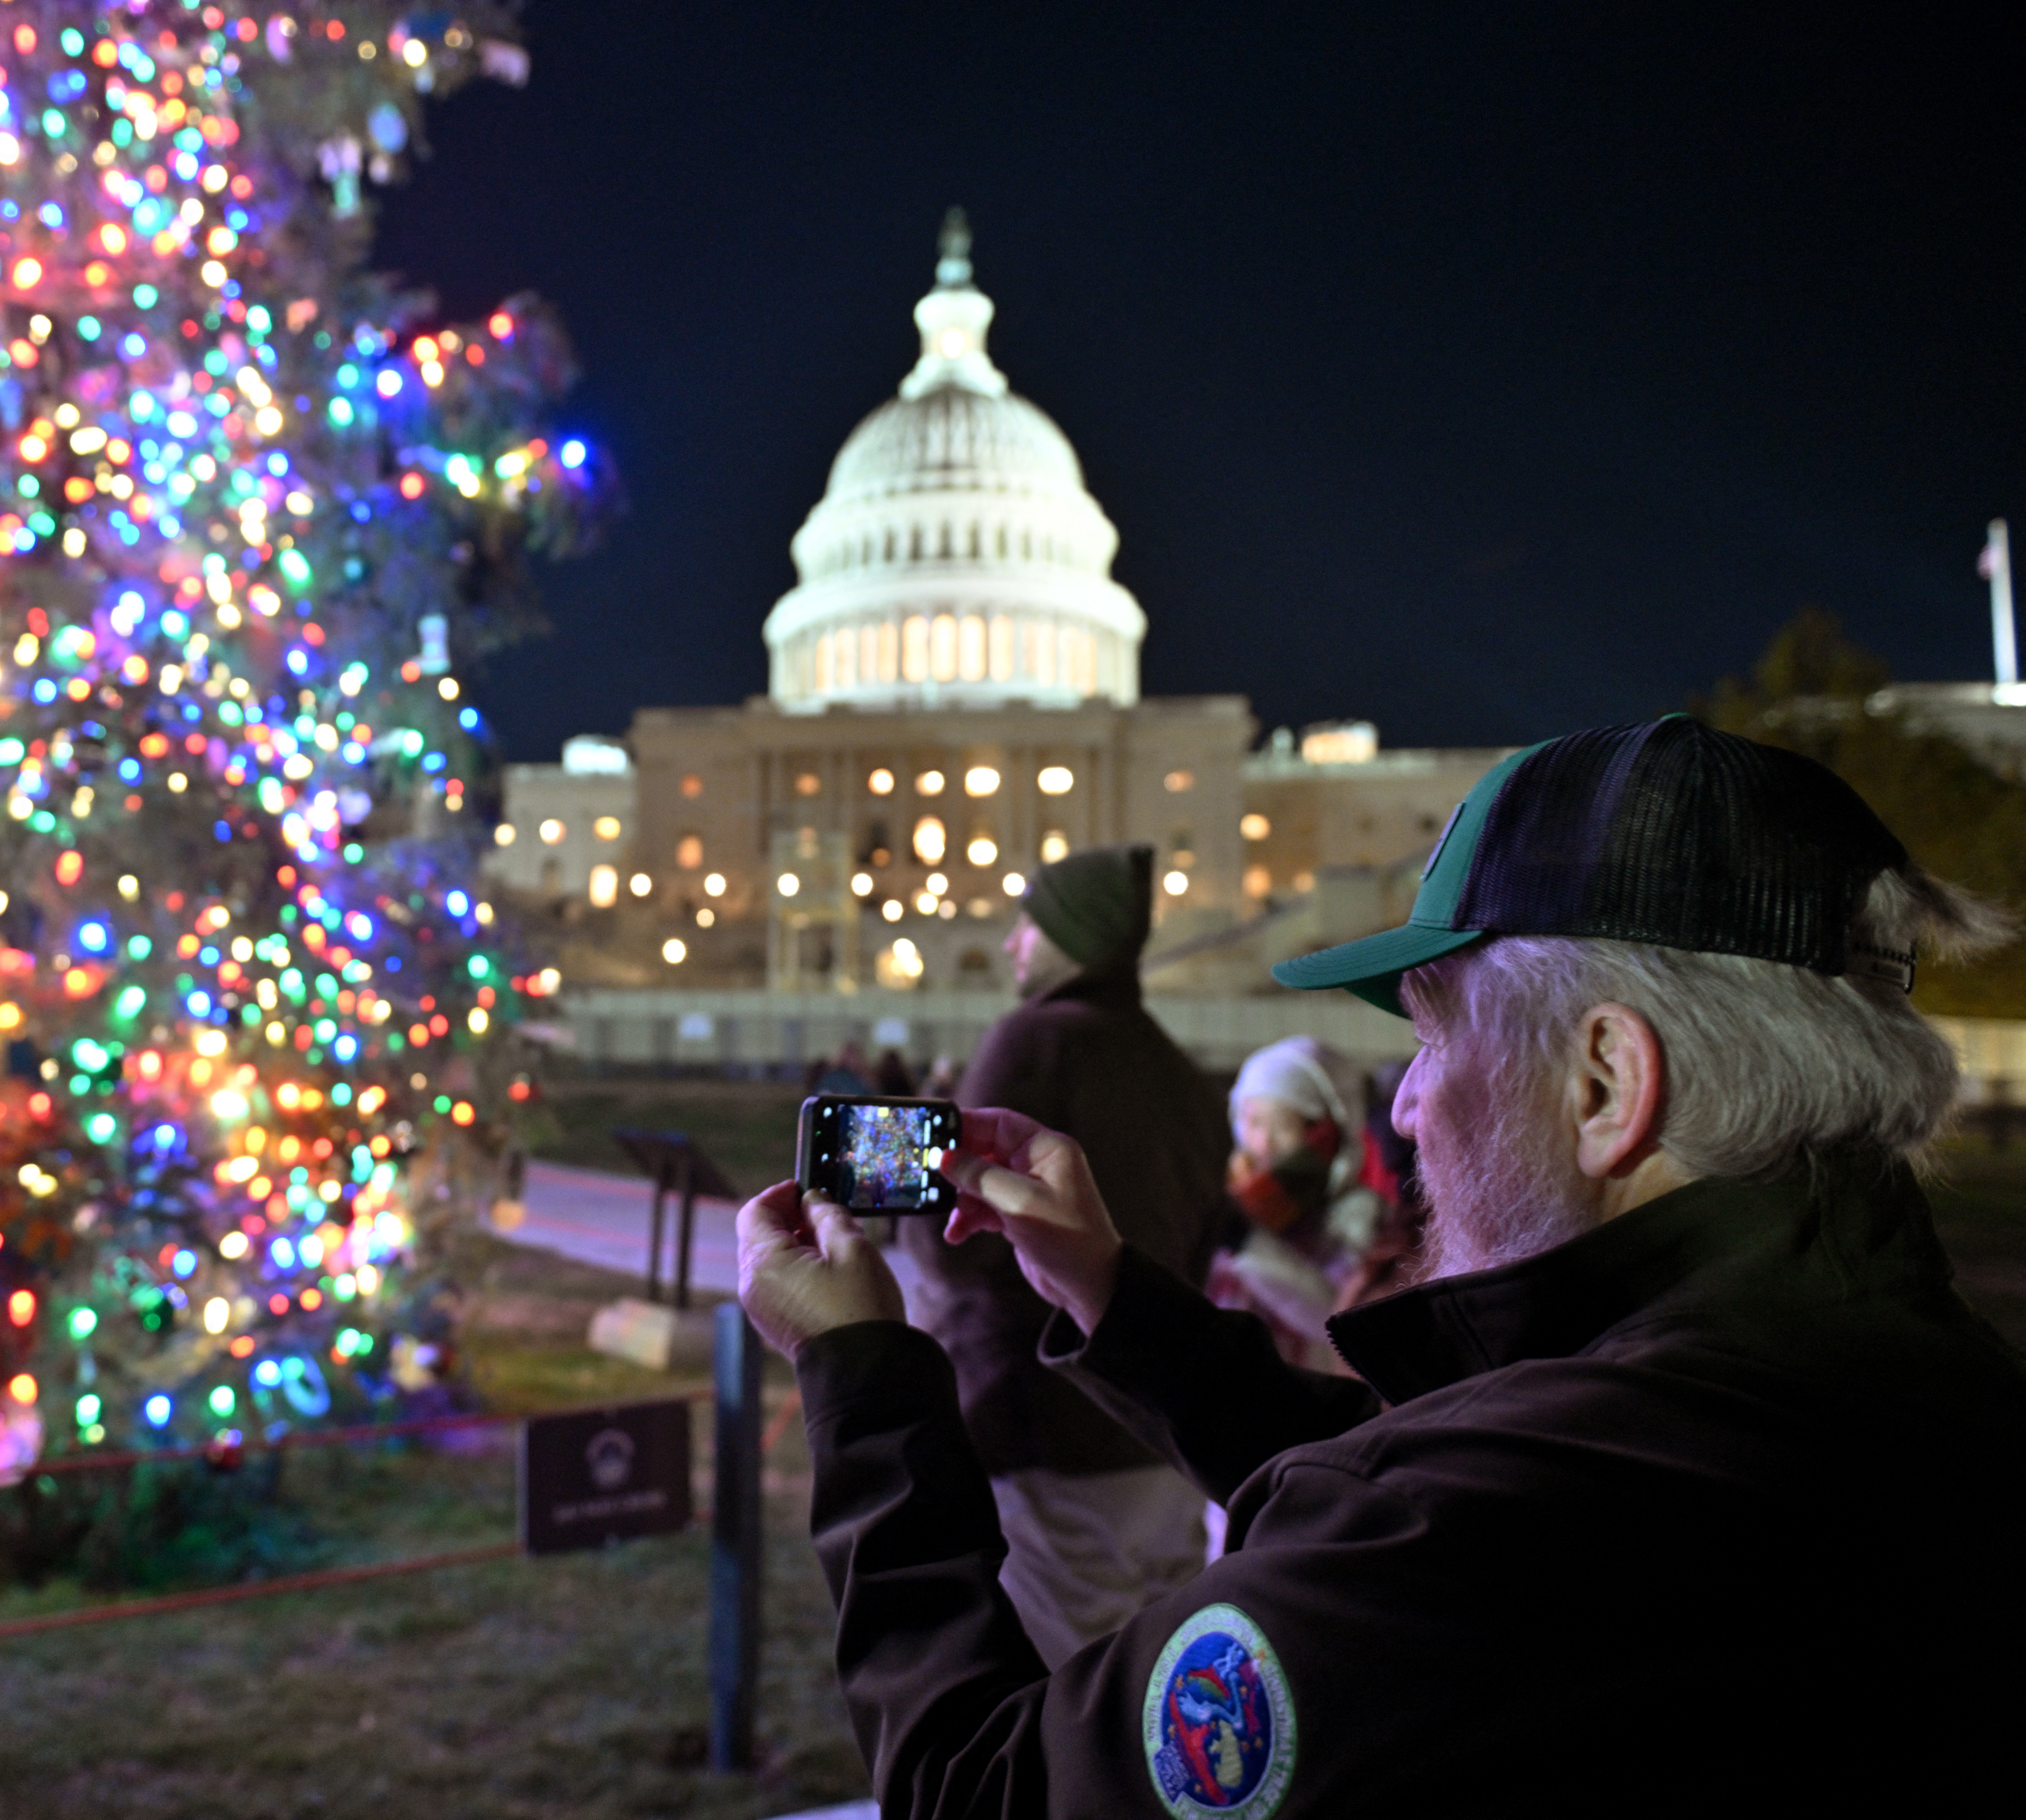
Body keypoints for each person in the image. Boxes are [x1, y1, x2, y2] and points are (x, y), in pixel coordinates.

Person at [737, 717, 2026, 1814]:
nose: (1403, 1105)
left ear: (1602, 1081)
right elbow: (1420, 1473)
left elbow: (986, 1788)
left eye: (1429, 1040)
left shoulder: (1521, 1519)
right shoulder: (1907, 1379)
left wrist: (861, 1374)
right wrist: (1113, 1293)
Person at [896, 843, 1236, 1665]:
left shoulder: (1031, 1042)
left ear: (1071, 938)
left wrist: (903, 1216)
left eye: (1029, 923)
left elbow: (948, 1250)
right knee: (1164, 1715)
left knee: (1066, 1716)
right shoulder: (1176, 1068)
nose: (1012, 943)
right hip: (1163, 1440)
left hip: (1044, 1431)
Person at [1206, 1037, 1384, 1372]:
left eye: (1283, 1127)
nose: (1263, 1142)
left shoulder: (1356, 1215)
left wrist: (1247, 1242)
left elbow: (1338, 1315)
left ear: (1326, 1132)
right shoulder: (1232, 1197)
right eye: (1253, 1122)